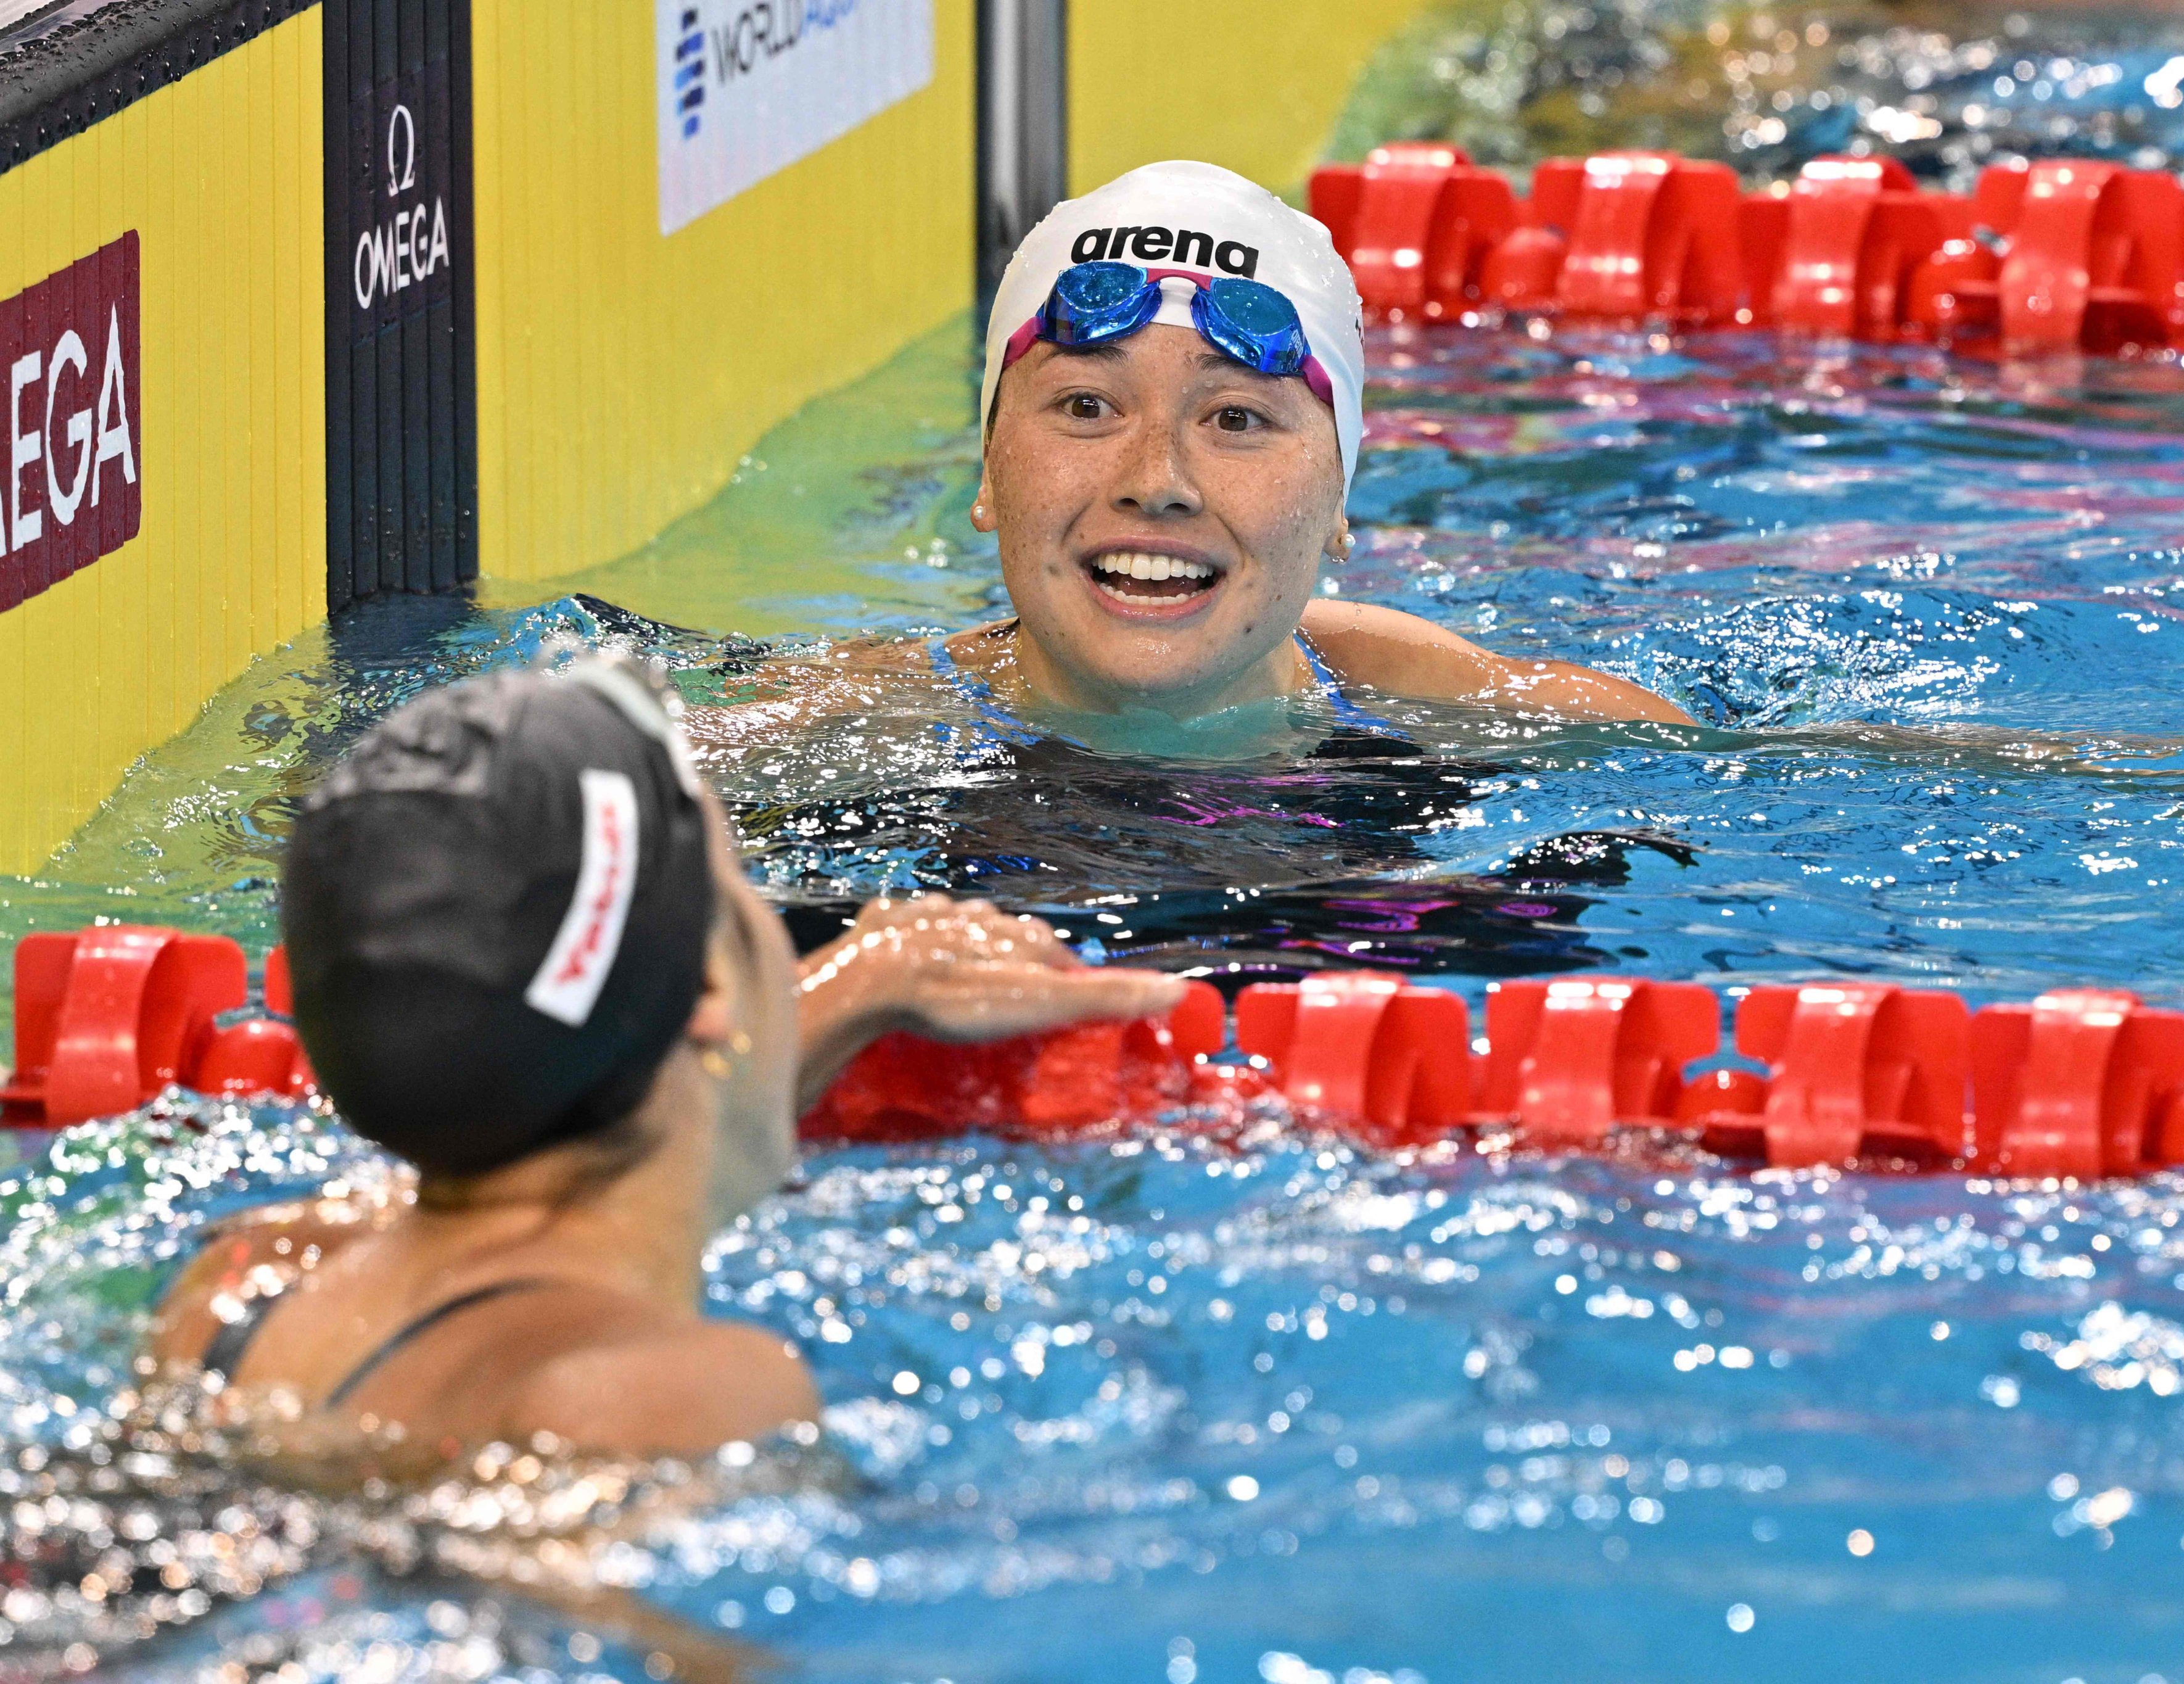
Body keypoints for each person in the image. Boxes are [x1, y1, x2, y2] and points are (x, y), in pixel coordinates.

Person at [146, 660, 1183, 1460]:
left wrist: (866, 980)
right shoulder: (658, 1394)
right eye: (746, 893)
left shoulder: (240, 1285)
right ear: (712, 986)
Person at [709, 159, 1693, 741]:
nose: (1157, 484)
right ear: (986, 474)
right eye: (1088, 405)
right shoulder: (837, 731)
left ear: (1342, 494)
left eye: (1235, 419)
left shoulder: (1495, 721)